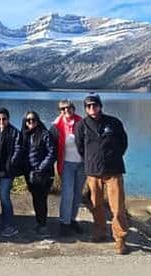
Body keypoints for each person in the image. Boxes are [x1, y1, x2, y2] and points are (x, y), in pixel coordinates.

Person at [75, 94, 130, 255]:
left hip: (114, 170)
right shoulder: (81, 125)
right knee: (96, 205)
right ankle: (99, 232)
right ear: (85, 109)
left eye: (95, 105)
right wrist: (91, 159)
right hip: (93, 172)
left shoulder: (113, 122)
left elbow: (123, 143)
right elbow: (80, 147)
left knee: (117, 207)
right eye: (88, 106)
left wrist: (114, 156)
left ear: (100, 106)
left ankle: (120, 239)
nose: (92, 108)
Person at [18, 111, 57, 237]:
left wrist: (40, 168)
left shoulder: (45, 134)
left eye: (33, 119)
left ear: (38, 120)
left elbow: (52, 153)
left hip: (43, 174)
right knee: (36, 198)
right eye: (28, 120)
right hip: (30, 173)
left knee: (41, 199)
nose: (31, 122)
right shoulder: (25, 135)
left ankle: (43, 225)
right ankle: (39, 223)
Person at [51, 99, 86, 237]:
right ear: (60, 111)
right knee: (67, 194)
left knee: (77, 194)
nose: (66, 110)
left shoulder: (81, 122)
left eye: (69, 107)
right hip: (66, 164)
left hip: (82, 164)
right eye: (63, 108)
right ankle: (64, 223)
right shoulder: (56, 125)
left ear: (73, 108)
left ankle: (72, 220)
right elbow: (50, 144)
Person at [0, 107, 23, 238]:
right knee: (2, 197)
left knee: (4, 197)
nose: (1, 121)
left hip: (7, 172)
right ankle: (5, 222)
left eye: (4, 119)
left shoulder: (14, 133)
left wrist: (11, 164)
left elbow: (18, 150)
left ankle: (10, 226)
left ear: (8, 119)